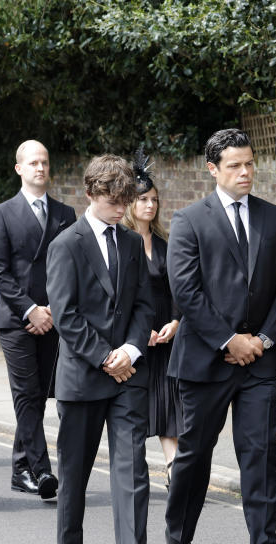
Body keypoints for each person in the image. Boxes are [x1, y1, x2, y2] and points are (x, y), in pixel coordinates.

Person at [164, 128, 276, 544]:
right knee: (195, 453)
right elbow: (186, 290)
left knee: (260, 456)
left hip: (260, 361)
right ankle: (179, 536)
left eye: (250, 164)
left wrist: (260, 340)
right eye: (235, 166)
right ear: (213, 170)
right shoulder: (188, 220)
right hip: (204, 360)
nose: (245, 172)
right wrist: (228, 340)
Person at [46, 155, 169, 544]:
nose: (122, 210)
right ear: (90, 195)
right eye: (114, 202)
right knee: (75, 467)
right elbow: (66, 315)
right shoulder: (66, 244)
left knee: (132, 467)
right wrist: (105, 357)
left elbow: (143, 305)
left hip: (128, 375)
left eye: (126, 202)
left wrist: (132, 350)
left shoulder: (133, 244)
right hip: (83, 375)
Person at [0, 140, 75, 500]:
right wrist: (30, 309)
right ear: (19, 168)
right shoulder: (2, 213)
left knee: (39, 397)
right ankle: (41, 469)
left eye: (45, 162)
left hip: (52, 317)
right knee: (26, 394)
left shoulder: (65, 213)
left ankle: (20, 468)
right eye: (33, 162)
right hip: (16, 320)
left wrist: (53, 309)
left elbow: (69, 266)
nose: (40, 168)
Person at [121, 149, 180, 487]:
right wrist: (137, 334)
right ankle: (134, 467)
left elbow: (177, 289)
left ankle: (173, 466)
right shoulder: (122, 243)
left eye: (154, 200)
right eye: (143, 199)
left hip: (166, 334)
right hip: (135, 335)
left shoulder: (165, 243)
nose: (150, 205)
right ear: (131, 202)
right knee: (139, 401)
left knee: (169, 399)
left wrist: (176, 322)